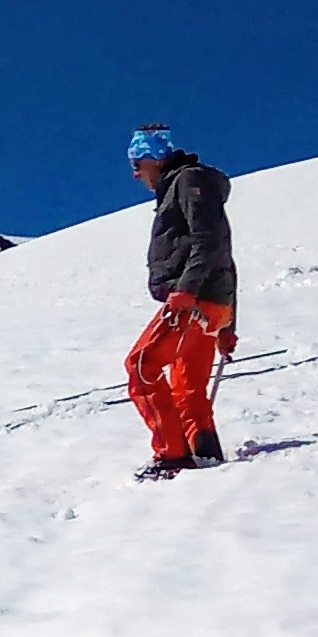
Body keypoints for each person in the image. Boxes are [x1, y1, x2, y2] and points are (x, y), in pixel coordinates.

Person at [124, 126, 236, 482]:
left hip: (194, 301)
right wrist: (227, 325)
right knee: (187, 386)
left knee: (141, 366)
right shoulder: (188, 185)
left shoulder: (188, 182)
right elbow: (225, 258)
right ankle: (204, 454)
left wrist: (186, 289)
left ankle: (172, 455)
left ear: (154, 158)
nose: (135, 173)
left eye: (137, 163)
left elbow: (211, 241)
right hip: (208, 304)